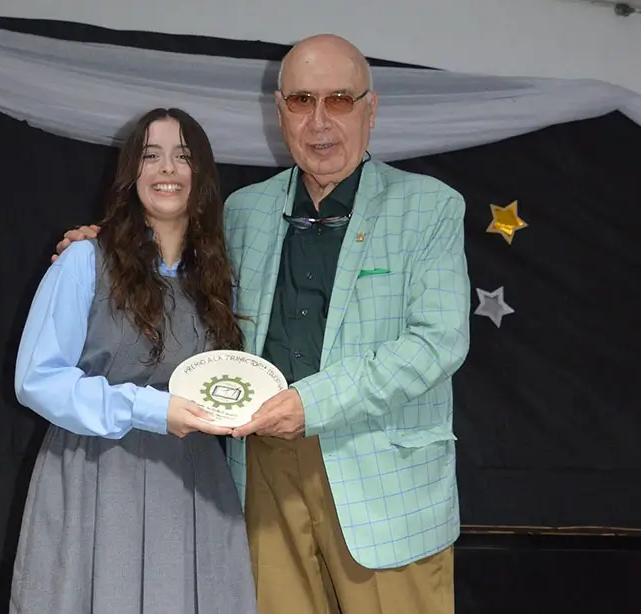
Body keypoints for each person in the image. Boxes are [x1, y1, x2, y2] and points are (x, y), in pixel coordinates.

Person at [57, 34, 470, 614]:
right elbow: (175, 268)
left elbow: (437, 342)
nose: (320, 121)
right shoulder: (243, 211)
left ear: (371, 110)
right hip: (262, 472)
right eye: (302, 101)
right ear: (280, 113)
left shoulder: (430, 206)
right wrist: (101, 245)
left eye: (339, 99)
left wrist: (311, 404)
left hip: (383, 481)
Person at [12, 108, 257, 614]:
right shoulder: (84, 260)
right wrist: (148, 409)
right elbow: (37, 379)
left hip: (192, 483)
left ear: (202, 175)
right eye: (151, 155)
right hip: (95, 477)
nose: (167, 169)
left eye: (182, 156)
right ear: (131, 173)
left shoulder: (219, 281)